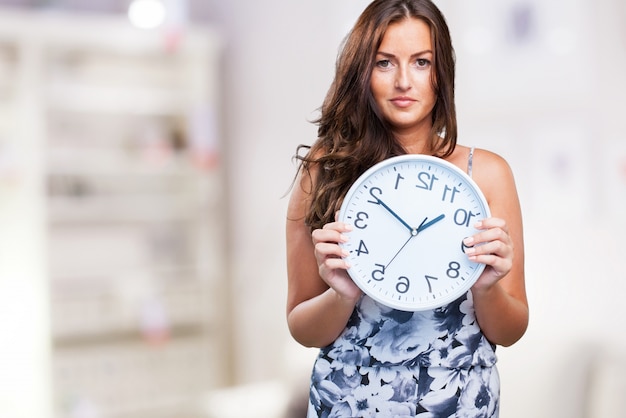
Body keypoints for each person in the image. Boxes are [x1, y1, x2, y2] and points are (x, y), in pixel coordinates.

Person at [285, 0, 529, 416]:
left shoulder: (486, 175)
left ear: (442, 73)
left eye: (421, 62)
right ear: (363, 72)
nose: (403, 81)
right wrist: (341, 295)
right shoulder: (325, 170)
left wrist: (486, 287)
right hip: (348, 400)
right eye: (384, 63)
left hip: (459, 402)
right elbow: (301, 326)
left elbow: (511, 329)